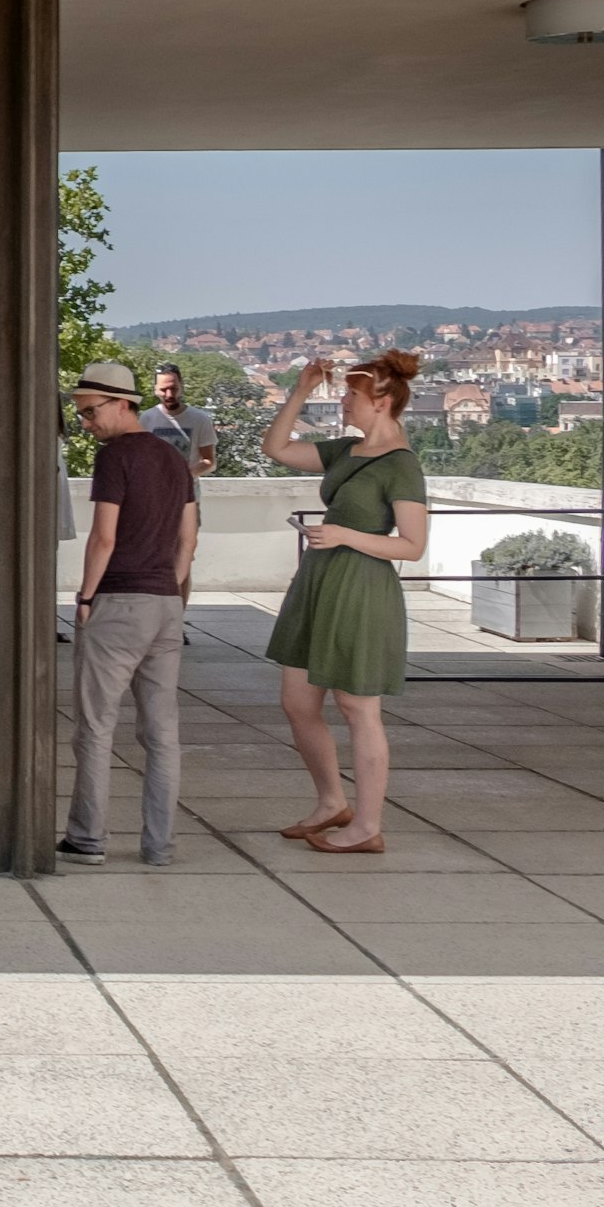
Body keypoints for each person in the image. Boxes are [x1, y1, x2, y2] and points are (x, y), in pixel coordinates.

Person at [256, 348, 434, 854]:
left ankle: (368, 826)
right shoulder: (346, 451)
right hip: (320, 580)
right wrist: (301, 389)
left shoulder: (402, 466)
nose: (343, 404)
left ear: (381, 401)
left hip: (359, 585)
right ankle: (332, 801)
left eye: (351, 396)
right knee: (296, 701)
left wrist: (343, 536)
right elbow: (276, 448)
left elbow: (412, 545)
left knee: (357, 706)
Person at [58, 360, 197, 865]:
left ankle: (87, 839)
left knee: (95, 727)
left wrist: (86, 597)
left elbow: (104, 536)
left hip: (118, 602)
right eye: (80, 416)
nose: (87, 424)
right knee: (162, 733)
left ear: (122, 403)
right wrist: (175, 593)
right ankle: (159, 845)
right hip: (164, 603)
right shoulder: (173, 459)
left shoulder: (117, 456)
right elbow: (189, 538)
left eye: (91, 412)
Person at [148, 362, 220, 475]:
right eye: (163, 390)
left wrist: (183, 477)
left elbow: (210, 461)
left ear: (182, 386)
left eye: (174, 388)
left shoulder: (200, 419)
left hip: (187, 492)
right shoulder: (146, 419)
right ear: (155, 390)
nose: (169, 395)